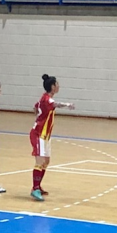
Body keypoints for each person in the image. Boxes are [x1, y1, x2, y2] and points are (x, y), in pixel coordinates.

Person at [29, 73, 74, 201]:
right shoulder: (48, 100)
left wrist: (38, 116)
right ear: (53, 87)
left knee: (46, 161)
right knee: (40, 162)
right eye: (57, 84)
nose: (59, 86)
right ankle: (35, 188)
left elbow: (35, 107)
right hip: (38, 134)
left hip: (45, 135)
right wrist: (67, 105)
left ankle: (38, 186)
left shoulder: (44, 98)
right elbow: (55, 104)